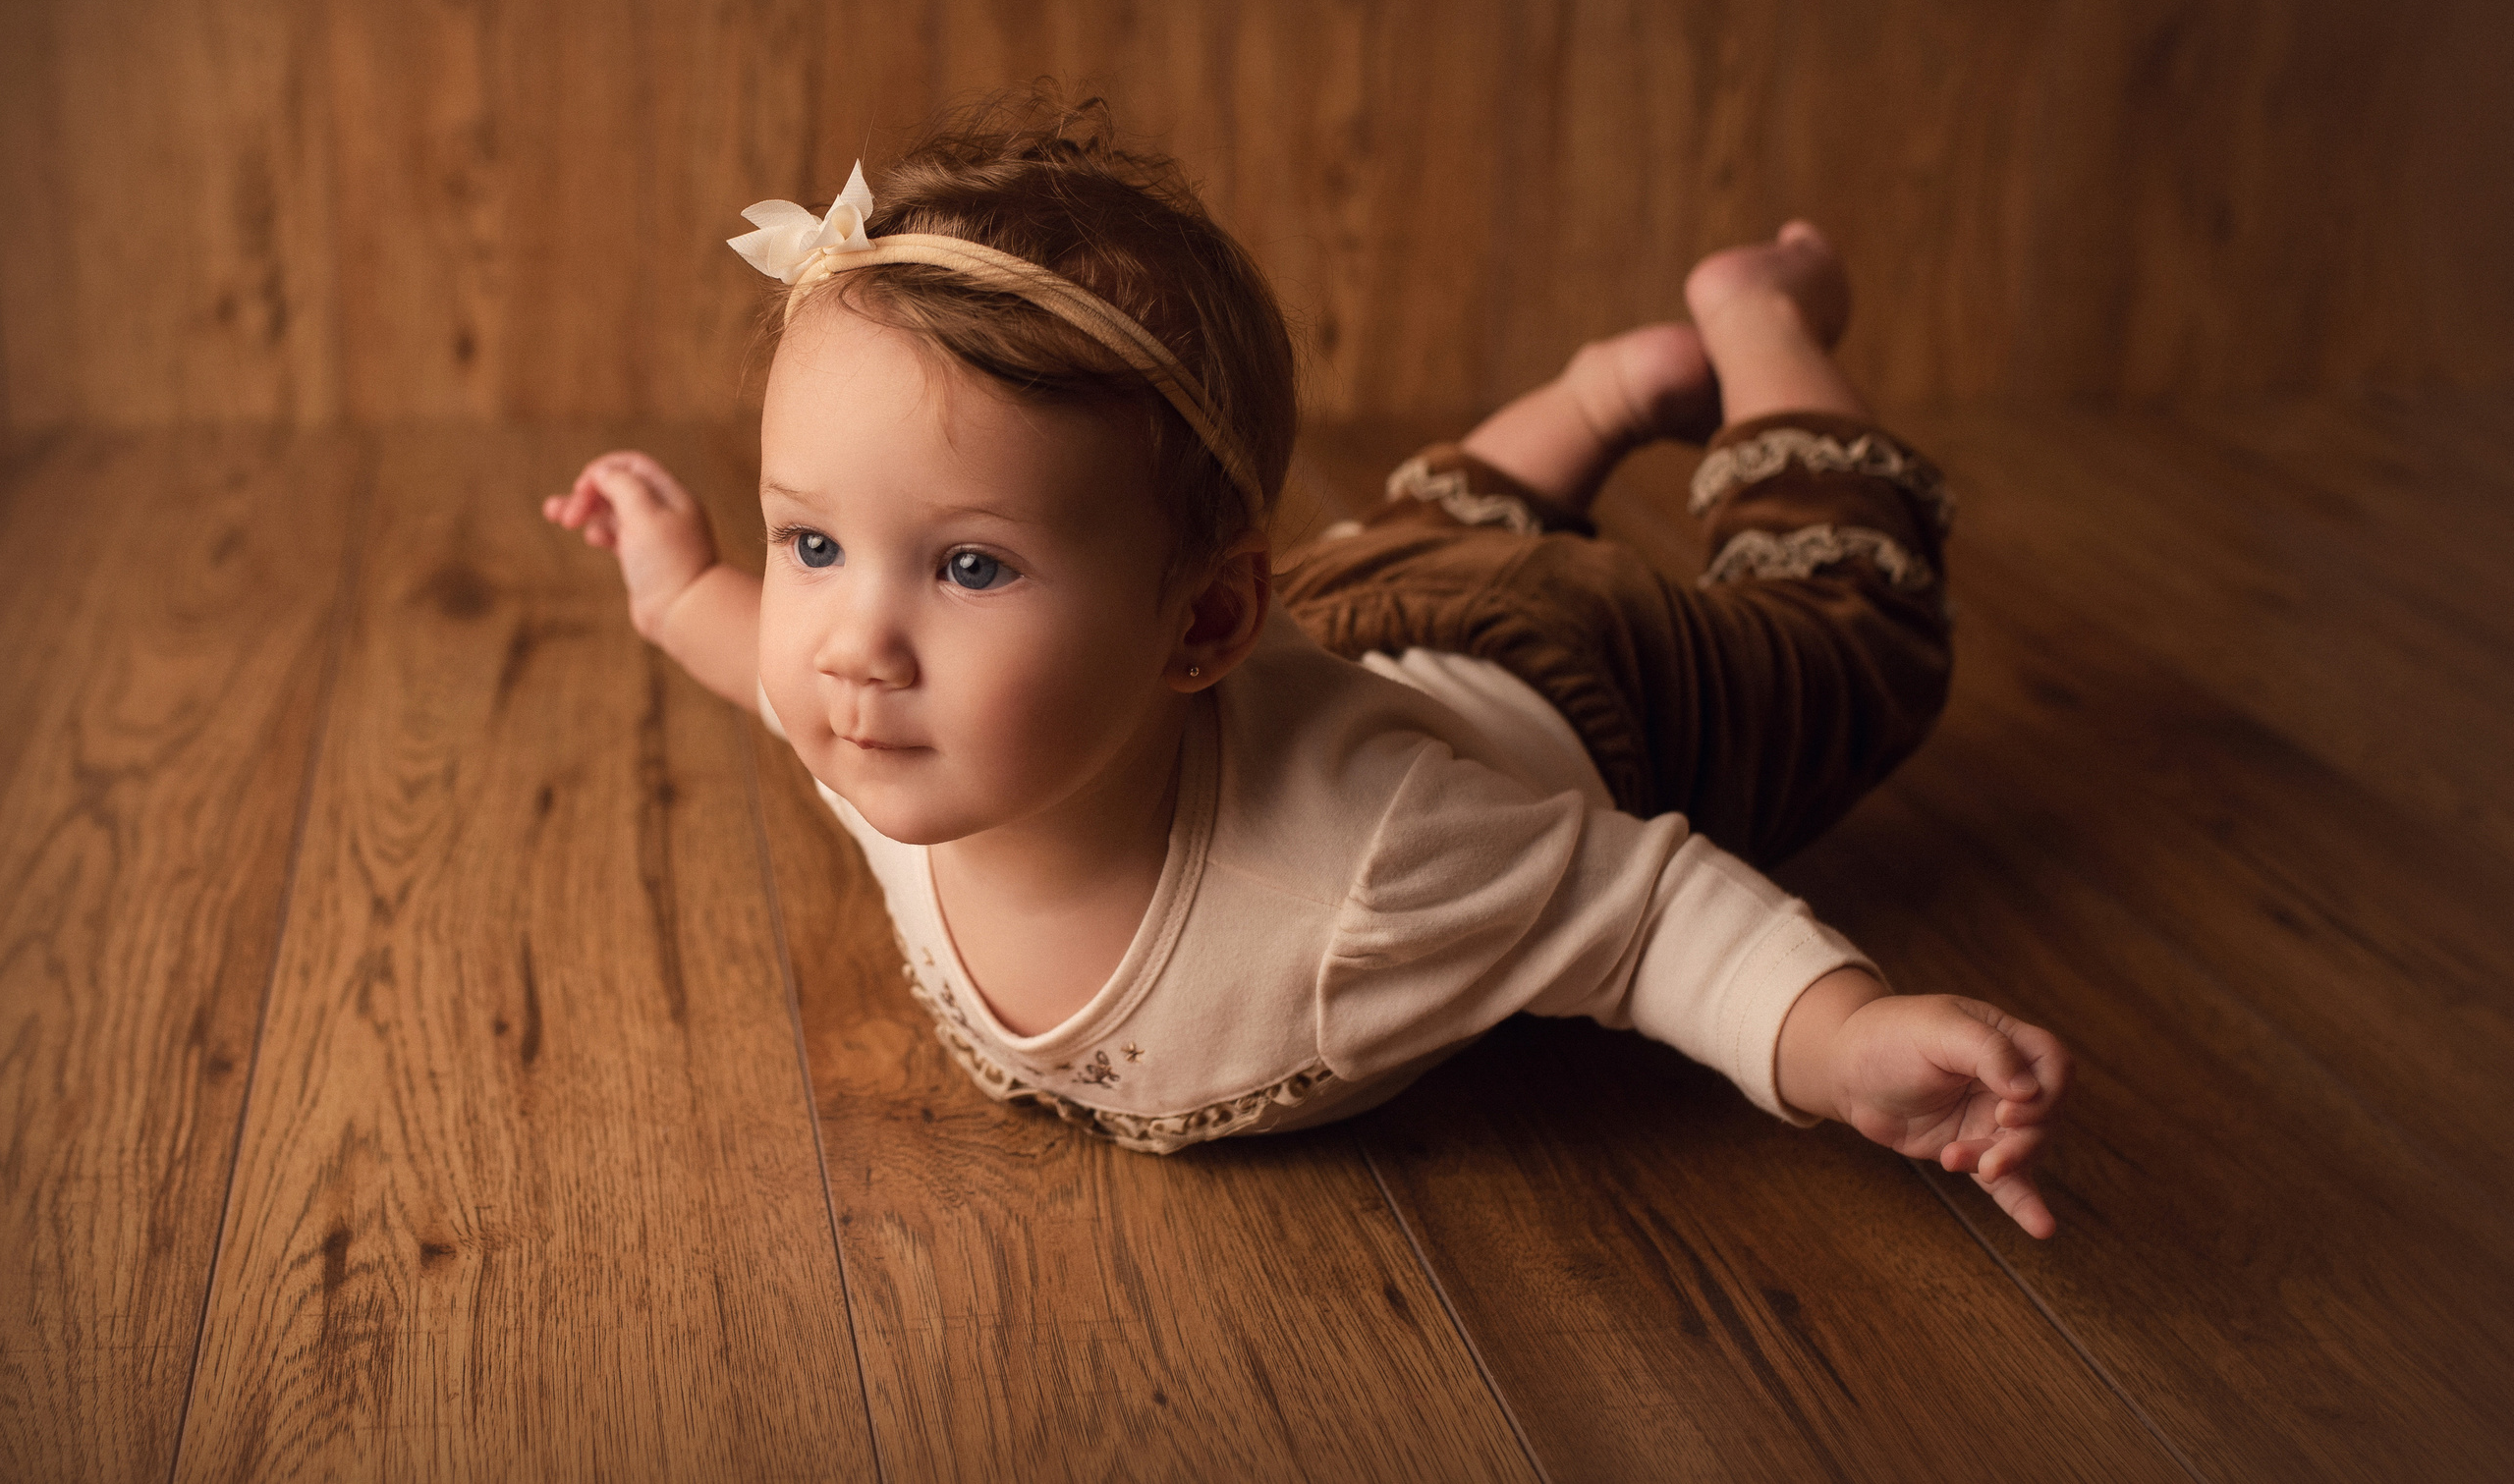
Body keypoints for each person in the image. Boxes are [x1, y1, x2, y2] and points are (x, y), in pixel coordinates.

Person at [542, 98, 2071, 1237]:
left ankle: (1759, 318)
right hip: (1344, 624)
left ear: (1199, 626)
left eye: (968, 566)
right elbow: (768, 663)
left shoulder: (1364, 867)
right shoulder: (892, 730)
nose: (853, 645)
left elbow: (1648, 917)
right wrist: (682, 582)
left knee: (1840, 624)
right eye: (812, 544)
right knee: (1397, 542)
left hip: (1578, 675)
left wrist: (1846, 1036)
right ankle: (1606, 390)